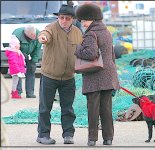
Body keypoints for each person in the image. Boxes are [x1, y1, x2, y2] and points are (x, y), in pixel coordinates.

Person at [74, 3, 120, 146]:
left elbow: (90, 53)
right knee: (106, 109)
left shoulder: (90, 34)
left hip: (94, 77)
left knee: (93, 110)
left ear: (91, 19)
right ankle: (108, 138)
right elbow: (111, 55)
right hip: (108, 76)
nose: (82, 23)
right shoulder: (106, 32)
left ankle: (92, 139)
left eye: (84, 20)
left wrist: (77, 49)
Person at [36, 3, 82, 145]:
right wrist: (42, 38)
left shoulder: (77, 32)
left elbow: (82, 50)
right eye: (61, 17)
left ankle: (68, 134)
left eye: (67, 18)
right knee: (45, 107)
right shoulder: (51, 28)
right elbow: (44, 34)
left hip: (69, 77)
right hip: (49, 75)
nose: (63, 21)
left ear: (73, 19)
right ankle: (43, 135)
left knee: (68, 108)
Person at [12, 25, 42, 98]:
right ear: (26, 33)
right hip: (18, 54)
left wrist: (34, 60)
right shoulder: (16, 34)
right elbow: (14, 48)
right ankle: (18, 92)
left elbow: (38, 49)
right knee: (18, 73)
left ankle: (30, 93)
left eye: (34, 34)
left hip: (31, 54)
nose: (34, 36)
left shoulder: (39, 35)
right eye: (32, 35)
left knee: (31, 70)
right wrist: (22, 56)